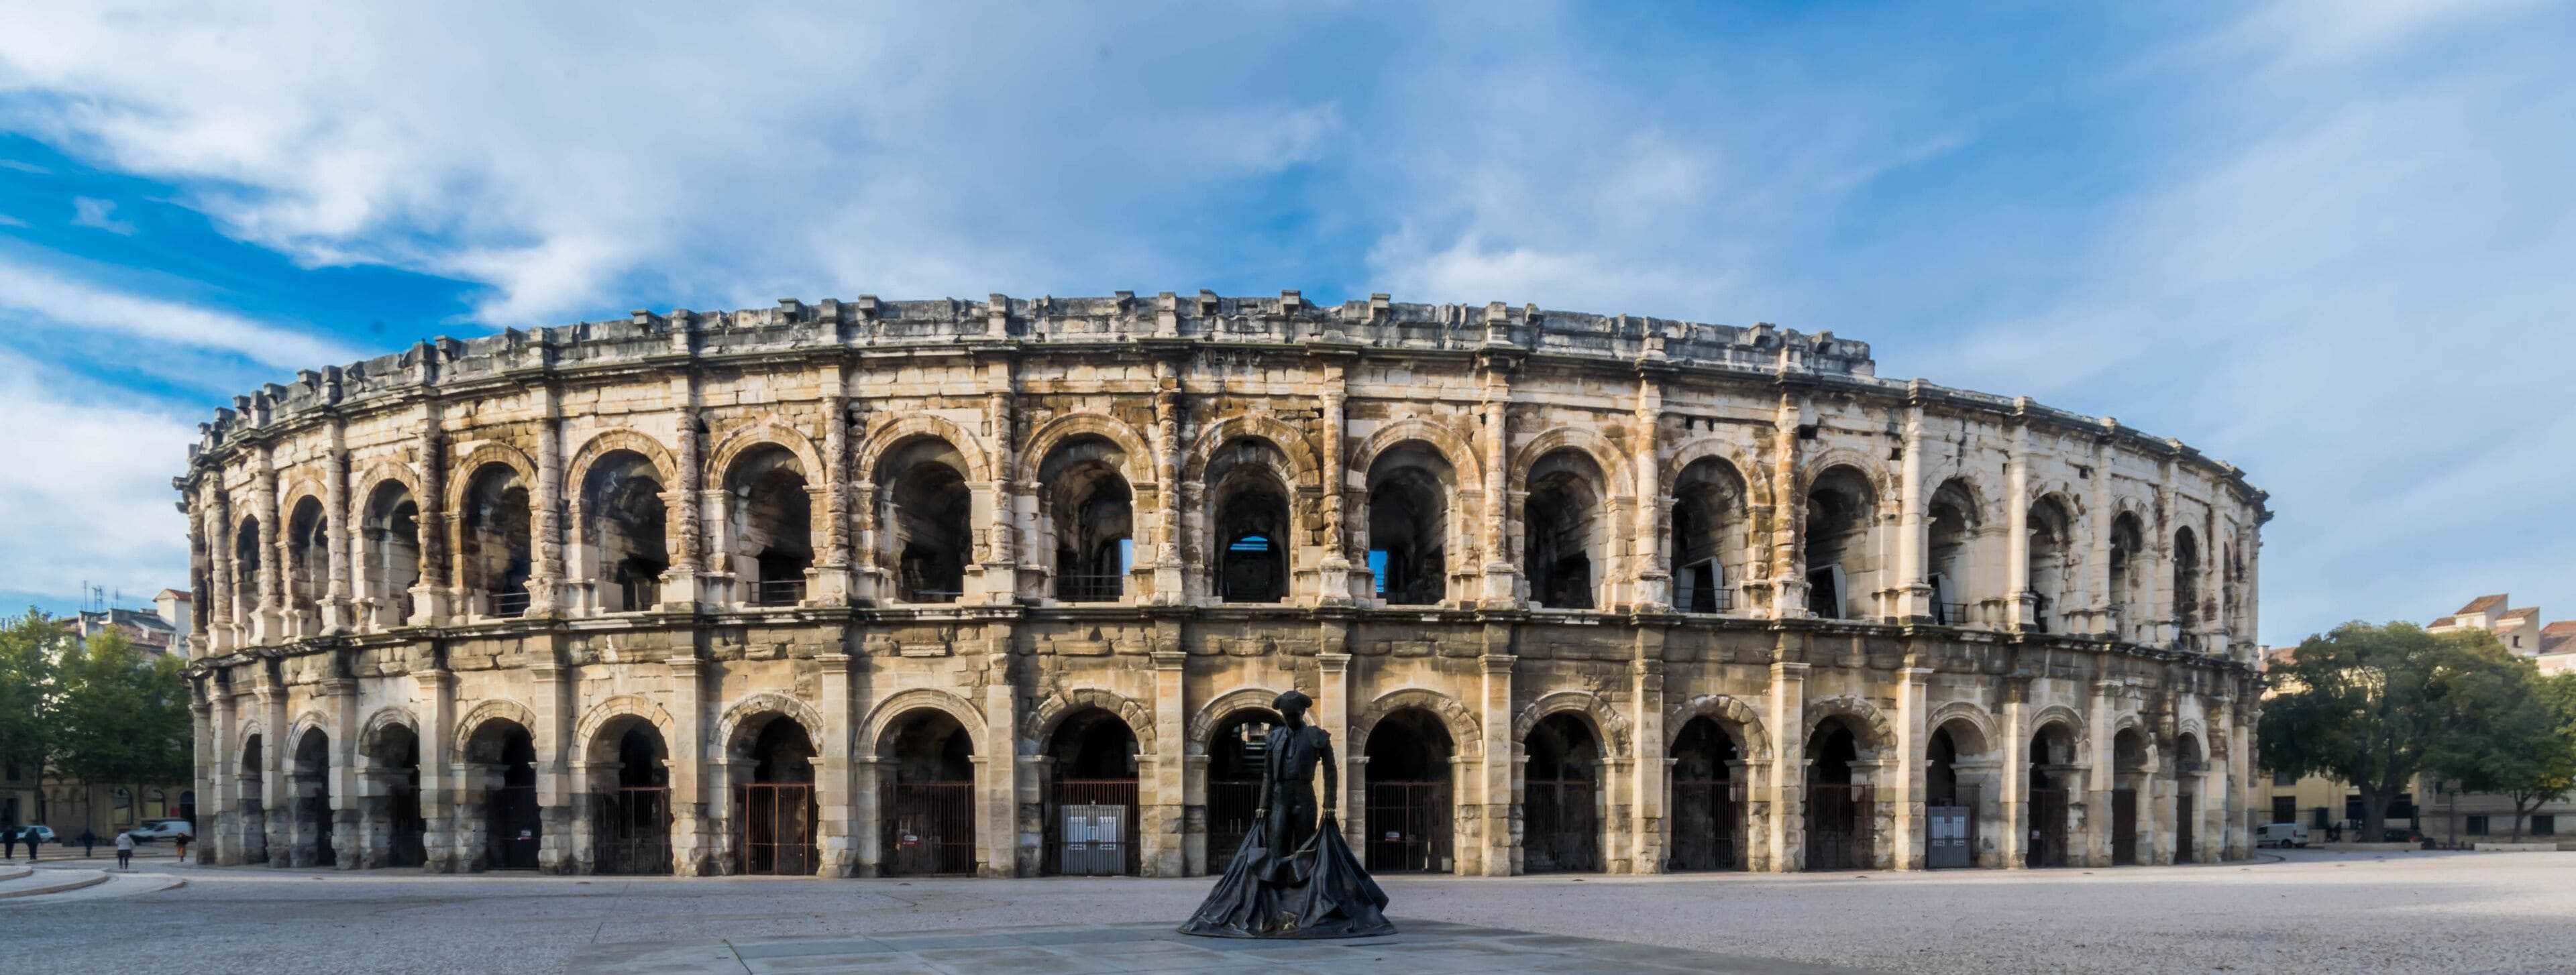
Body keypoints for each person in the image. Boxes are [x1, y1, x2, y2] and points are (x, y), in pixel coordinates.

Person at [1179, 690, 1393, 939]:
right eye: (1286, 715)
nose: (1290, 719)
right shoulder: (1275, 737)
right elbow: (1268, 775)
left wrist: (1330, 805)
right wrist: (1263, 805)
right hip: (1280, 797)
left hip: (1304, 796)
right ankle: (1275, 909)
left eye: (1294, 715)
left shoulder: (1317, 737)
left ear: (1302, 713)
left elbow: (1331, 772)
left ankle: (1304, 907)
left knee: (1305, 854)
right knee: (1276, 851)